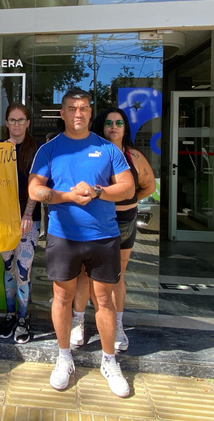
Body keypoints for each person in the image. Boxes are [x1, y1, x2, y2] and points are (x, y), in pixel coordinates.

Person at [29, 89, 135, 398]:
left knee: (104, 301)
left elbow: (127, 188)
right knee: (62, 299)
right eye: (73, 108)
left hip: (103, 235)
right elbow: (35, 190)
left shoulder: (107, 149)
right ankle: (64, 358)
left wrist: (100, 192)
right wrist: (67, 197)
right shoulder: (50, 149)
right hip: (64, 235)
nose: (79, 112)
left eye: (85, 108)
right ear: (62, 113)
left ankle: (110, 361)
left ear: (91, 113)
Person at [70, 108, 156, 352]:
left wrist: (129, 198)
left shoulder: (135, 157)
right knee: (85, 274)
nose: (114, 126)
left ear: (125, 127)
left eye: (119, 122)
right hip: (95, 220)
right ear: (102, 126)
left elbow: (148, 186)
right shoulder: (90, 153)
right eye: (109, 123)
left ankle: (117, 326)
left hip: (124, 221)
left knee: (116, 276)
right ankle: (79, 322)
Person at [0, 103, 41, 344]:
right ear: (6, 123)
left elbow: (38, 184)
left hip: (28, 219)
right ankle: (10, 315)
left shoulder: (37, 149)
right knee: (9, 268)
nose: (16, 124)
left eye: (21, 120)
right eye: (12, 120)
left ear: (27, 123)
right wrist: (1, 153)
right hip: (2, 217)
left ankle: (23, 319)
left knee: (23, 271)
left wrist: (28, 214)